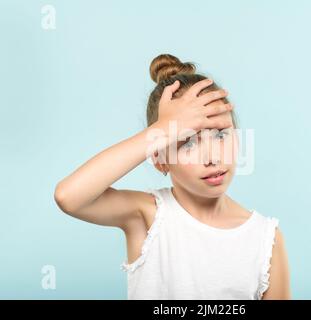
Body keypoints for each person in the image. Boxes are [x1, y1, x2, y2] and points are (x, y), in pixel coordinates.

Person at [54, 53, 291, 300]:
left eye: (221, 134)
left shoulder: (266, 238)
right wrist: (163, 129)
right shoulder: (147, 218)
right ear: (159, 159)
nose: (212, 157)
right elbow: (68, 196)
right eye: (187, 142)